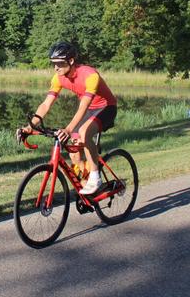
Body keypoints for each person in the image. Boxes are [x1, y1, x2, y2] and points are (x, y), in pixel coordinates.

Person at [23, 41, 118, 195]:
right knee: (74, 151)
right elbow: (46, 104)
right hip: (88, 110)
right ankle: (86, 184)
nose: (56, 67)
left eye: (59, 63)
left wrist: (68, 129)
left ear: (71, 60)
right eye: (53, 64)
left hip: (106, 107)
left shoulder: (90, 75)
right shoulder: (58, 78)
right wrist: (30, 126)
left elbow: (83, 106)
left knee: (84, 131)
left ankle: (95, 176)